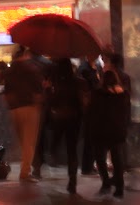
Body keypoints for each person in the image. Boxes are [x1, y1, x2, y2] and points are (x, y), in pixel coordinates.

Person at [91, 53, 132, 198]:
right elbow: (127, 109)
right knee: (117, 158)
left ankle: (106, 183)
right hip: (117, 130)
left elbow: (93, 112)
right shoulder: (123, 94)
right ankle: (119, 188)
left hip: (102, 131)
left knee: (101, 158)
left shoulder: (98, 94)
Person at [45, 57, 86, 195]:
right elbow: (83, 103)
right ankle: (72, 181)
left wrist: (48, 90)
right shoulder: (79, 82)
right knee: (72, 150)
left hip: (60, 119)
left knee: (56, 143)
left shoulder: (57, 84)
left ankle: (54, 157)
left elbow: (51, 102)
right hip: (75, 119)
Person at [3, 45, 45, 181]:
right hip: (29, 108)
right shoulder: (32, 69)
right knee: (29, 142)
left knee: (22, 141)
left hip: (14, 109)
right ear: (26, 55)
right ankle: (25, 172)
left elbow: (6, 92)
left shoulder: (10, 71)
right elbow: (39, 92)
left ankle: (25, 169)